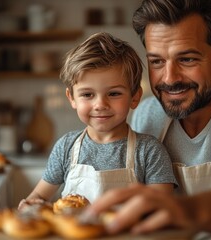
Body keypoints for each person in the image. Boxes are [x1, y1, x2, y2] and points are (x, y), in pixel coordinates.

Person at [82, 0, 211, 239]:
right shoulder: (147, 114)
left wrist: (187, 210)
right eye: (157, 62)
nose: (170, 78)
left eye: (187, 59)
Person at [18, 32, 177, 209]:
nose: (100, 104)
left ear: (134, 97)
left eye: (114, 93)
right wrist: (31, 205)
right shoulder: (66, 148)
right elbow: (39, 195)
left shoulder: (150, 151)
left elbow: (162, 207)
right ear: (72, 98)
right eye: (87, 94)